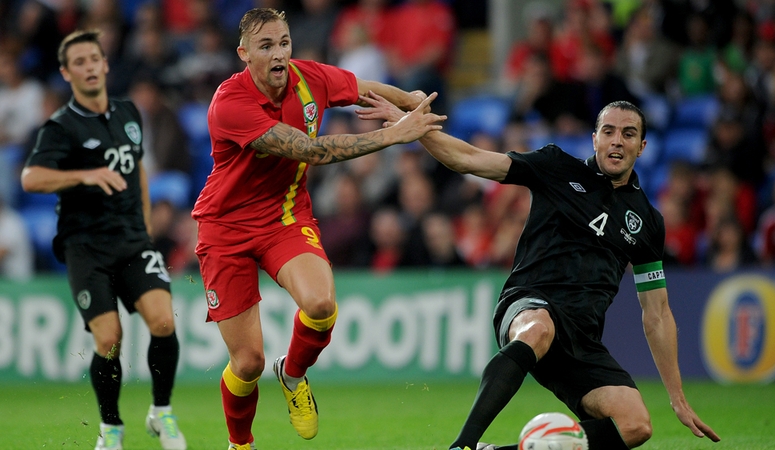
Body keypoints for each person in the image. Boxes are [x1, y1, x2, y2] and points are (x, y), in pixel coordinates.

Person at [358, 96, 720, 450]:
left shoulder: (648, 222)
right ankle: (463, 446)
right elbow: (468, 158)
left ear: (641, 147)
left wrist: (678, 398)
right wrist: (416, 129)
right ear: (594, 139)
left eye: (628, 134)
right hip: (528, 303)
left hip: (580, 339)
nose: (616, 140)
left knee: (635, 425)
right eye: (608, 131)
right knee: (540, 326)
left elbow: (656, 312)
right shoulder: (556, 167)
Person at [189, 8, 444, 450]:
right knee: (247, 362)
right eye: (266, 46)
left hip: (283, 216)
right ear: (244, 54)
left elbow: (362, 88)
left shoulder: (310, 77)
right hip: (225, 228)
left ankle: (292, 375)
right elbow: (310, 150)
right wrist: (393, 134)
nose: (279, 54)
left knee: (322, 303)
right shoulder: (230, 103)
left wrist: (408, 98)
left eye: (284, 42)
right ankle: (240, 445)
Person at [20, 30, 186, 450]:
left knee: (164, 321)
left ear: (105, 63)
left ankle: (161, 412)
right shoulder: (60, 127)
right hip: (86, 247)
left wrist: (146, 224)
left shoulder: (129, 112)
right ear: (66, 72)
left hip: (133, 240)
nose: (90, 66)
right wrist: (84, 174)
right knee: (109, 339)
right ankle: (111, 427)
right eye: (80, 62)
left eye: (95, 58)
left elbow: (138, 167)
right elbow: (31, 177)